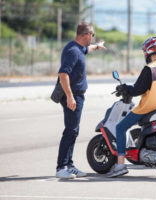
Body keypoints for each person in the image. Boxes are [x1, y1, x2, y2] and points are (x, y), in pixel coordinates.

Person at [106, 37, 156, 178]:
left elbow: (138, 89)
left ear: (148, 51)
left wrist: (125, 88)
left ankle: (120, 164)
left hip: (150, 107)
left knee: (120, 127)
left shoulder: (149, 68)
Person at [56, 22, 106, 179]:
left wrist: (97, 46)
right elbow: (63, 74)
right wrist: (70, 96)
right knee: (70, 131)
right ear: (86, 34)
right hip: (73, 95)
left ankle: (69, 165)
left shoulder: (78, 48)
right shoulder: (72, 51)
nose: (93, 37)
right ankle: (61, 167)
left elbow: (87, 49)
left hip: (77, 95)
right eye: (93, 35)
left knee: (74, 131)